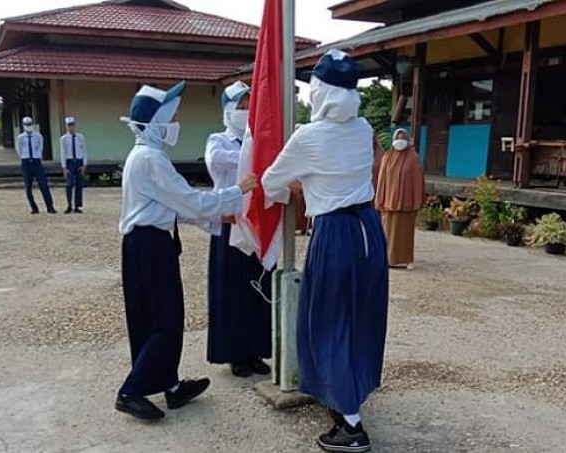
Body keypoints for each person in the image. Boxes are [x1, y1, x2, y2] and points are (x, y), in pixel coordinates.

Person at [262, 49, 389, 453]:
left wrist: (291, 191)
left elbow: (270, 181)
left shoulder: (308, 136)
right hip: (370, 230)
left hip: (334, 233)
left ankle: (351, 426)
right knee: (359, 320)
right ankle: (351, 393)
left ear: (321, 91)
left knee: (327, 324)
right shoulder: (363, 127)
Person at [116, 81, 258, 420]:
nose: (177, 122)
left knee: (157, 318)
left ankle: (171, 386)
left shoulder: (147, 155)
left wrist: (215, 215)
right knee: (165, 320)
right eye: (173, 116)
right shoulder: (150, 158)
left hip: (148, 243)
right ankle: (130, 391)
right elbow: (189, 199)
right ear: (158, 121)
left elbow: (177, 206)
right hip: (149, 246)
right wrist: (236, 192)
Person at [204, 81, 272, 378]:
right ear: (228, 110)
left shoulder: (257, 141)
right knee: (230, 292)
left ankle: (255, 349)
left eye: (249, 105)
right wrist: (252, 157)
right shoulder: (218, 140)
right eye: (240, 106)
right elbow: (217, 161)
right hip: (229, 224)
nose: (245, 111)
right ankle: (234, 353)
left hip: (256, 225)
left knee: (257, 288)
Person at [375, 128, 425, 270]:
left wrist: (417, 201)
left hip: (407, 204)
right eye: (397, 139)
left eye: (403, 139)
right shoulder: (387, 157)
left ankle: (406, 259)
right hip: (389, 203)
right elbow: (381, 180)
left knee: (406, 233)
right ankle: (388, 259)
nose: (399, 142)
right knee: (388, 232)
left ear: (408, 141)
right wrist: (380, 199)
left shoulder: (413, 158)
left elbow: (417, 181)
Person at [15, 117, 56, 214]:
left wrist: (35, 157)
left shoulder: (38, 136)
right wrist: (25, 157)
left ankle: (50, 206)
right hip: (25, 161)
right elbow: (19, 150)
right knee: (28, 186)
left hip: (36, 161)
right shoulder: (20, 137)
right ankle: (34, 207)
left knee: (43, 185)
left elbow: (40, 148)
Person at [60, 117, 88, 214]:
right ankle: (69, 205)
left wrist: (84, 164)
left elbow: (84, 150)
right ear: (66, 126)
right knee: (69, 184)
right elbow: (63, 153)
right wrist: (64, 167)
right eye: (69, 126)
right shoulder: (63, 139)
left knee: (79, 185)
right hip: (70, 161)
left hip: (79, 161)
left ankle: (78, 206)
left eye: (72, 125)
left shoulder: (81, 137)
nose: (70, 127)